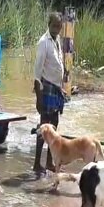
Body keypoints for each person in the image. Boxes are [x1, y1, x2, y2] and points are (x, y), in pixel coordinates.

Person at [33, 12, 66, 174]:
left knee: (53, 127)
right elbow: (37, 73)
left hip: (56, 88)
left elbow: (58, 64)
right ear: (49, 25)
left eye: (59, 27)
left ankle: (48, 162)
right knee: (43, 128)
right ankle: (36, 163)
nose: (56, 29)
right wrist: (38, 99)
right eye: (54, 26)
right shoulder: (43, 42)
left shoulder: (57, 40)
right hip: (46, 88)